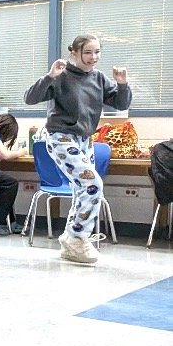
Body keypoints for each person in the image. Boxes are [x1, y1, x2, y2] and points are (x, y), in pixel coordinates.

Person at [24, 34, 131, 264]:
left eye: (97, 52)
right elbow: (30, 98)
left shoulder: (98, 78)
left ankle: (70, 239)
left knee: (81, 189)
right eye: (88, 52)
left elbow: (121, 104)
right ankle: (77, 238)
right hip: (61, 136)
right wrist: (50, 76)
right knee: (93, 185)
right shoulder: (61, 75)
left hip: (84, 139)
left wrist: (122, 84)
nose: (93, 57)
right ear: (74, 52)